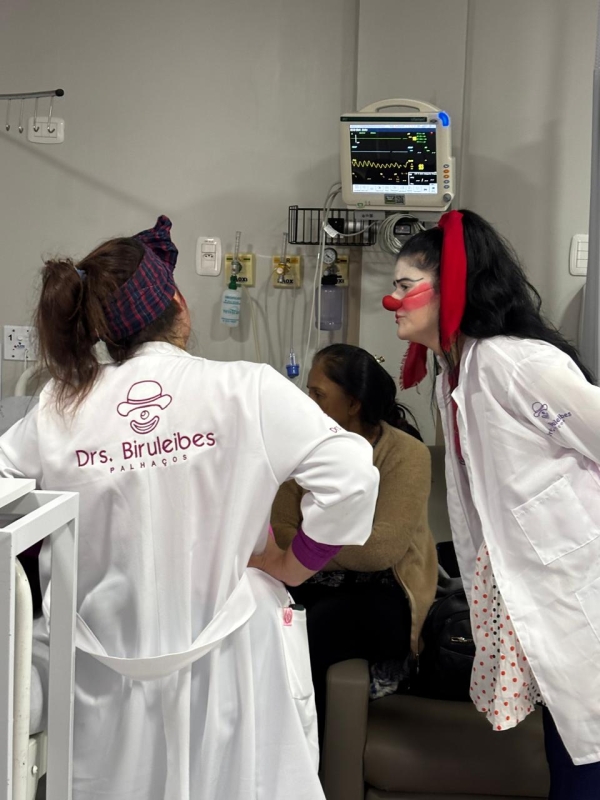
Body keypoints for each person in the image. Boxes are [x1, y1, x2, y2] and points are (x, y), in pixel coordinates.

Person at [0, 216, 379, 800]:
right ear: (178, 304)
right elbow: (351, 478)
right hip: (229, 663)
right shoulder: (246, 389)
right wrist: (293, 565)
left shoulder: (59, 406)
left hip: (103, 671)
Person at [382, 208, 600, 798]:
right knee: (567, 743)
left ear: (451, 287)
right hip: (536, 587)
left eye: (405, 285)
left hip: (576, 583)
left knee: (586, 755)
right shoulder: (456, 371)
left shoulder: (511, 362)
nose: (392, 300)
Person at [271, 344, 437, 738]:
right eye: (308, 392)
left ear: (353, 404)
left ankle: (307, 755)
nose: (308, 403)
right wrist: (314, 550)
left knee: (314, 632)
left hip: (386, 592)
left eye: (319, 394)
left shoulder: (406, 455)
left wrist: (308, 549)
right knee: (267, 624)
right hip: (309, 579)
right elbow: (282, 530)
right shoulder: (303, 450)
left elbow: (380, 550)